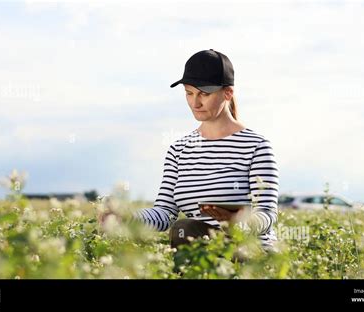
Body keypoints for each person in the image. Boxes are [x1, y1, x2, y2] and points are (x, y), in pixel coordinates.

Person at [103, 49, 279, 250]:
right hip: (200, 256)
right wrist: (127, 217)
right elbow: (165, 214)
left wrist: (238, 224)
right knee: (183, 229)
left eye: (204, 94)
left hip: (250, 255)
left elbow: (266, 214)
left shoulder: (256, 146)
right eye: (189, 93)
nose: (195, 103)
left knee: (185, 228)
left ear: (228, 93)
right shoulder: (179, 150)